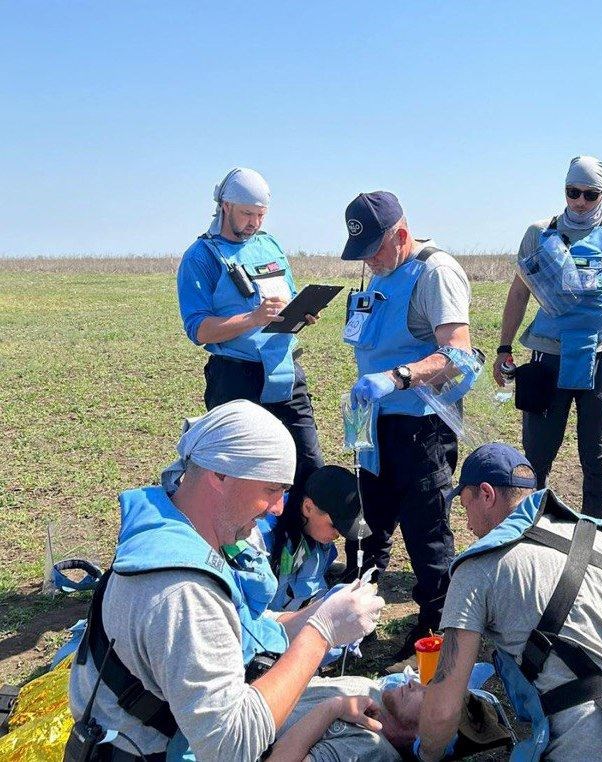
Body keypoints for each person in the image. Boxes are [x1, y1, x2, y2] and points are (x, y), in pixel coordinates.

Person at [68, 400, 384, 760]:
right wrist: (321, 634)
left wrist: (319, 614)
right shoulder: (183, 594)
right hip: (155, 751)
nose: (280, 507)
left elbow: (240, 628)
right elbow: (232, 747)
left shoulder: (183, 533)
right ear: (219, 475)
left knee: (357, 695)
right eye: (271, 489)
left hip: (159, 735)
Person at [417, 443, 602, 762]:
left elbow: (444, 707)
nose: (467, 525)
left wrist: (426, 753)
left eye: (465, 507)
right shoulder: (601, 539)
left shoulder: (479, 570)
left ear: (487, 494)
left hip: (594, 749)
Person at [339, 191, 473, 663]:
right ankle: (354, 620)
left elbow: (457, 355)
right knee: (367, 526)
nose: (370, 261)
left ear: (401, 234)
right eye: (361, 253)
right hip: (372, 424)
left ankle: (435, 629)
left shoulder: (434, 273)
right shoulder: (374, 271)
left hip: (420, 429)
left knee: (426, 531)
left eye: (375, 249)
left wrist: (398, 377)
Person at [176, 167, 325, 579]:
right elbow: (200, 329)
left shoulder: (269, 245)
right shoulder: (201, 257)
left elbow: (287, 297)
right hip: (236, 376)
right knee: (239, 473)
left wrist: (300, 313)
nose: (254, 224)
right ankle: (235, 565)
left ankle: (301, 559)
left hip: (285, 370)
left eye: (260, 215)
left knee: (307, 465)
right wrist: (252, 318)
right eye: (246, 214)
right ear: (224, 207)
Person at [494, 156, 602, 522]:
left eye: (590, 194)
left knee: (598, 457)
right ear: (564, 189)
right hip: (546, 359)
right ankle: (527, 534)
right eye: (573, 192)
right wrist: (504, 347)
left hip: (600, 358)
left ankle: (598, 538)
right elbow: (519, 294)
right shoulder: (539, 232)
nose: (581, 202)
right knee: (535, 457)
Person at [249, 464, 364, 612]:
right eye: (334, 526)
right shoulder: (259, 539)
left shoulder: (317, 533)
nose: (338, 535)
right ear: (308, 507)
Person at [268, 675, 424, 761]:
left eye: (427, 696)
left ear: (424, 735)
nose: (413, 682)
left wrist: (336, 708)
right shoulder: (370, 687)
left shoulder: (373, 749)